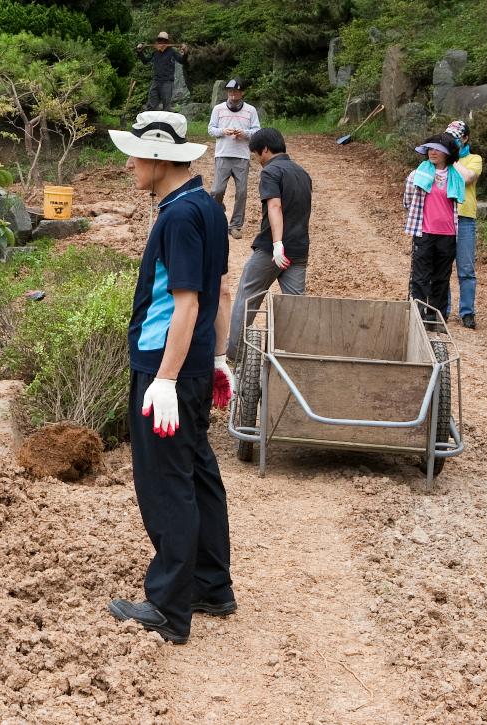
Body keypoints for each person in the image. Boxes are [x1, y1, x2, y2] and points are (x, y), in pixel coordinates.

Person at [104, 111, 235, 645]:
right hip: (195, 363)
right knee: (198, 471)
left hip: (168, 366)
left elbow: (186, 304)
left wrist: (165, 378)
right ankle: (210, 585)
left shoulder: (177, 218)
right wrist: (219, 357)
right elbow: (220, 293)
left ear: (159, 158)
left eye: (135, 154)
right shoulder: (207, 207)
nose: (129, 163)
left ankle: (167, 606)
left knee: (165, 482)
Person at [226, 128, 313, 361]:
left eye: (256, 154)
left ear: (265, 149)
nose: (257, 160)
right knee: (294, 305)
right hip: (299, 250)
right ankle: (290, 357)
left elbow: (275, 206)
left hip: (272, 249)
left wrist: (277, 245)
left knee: (247, 296)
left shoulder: (271, 172)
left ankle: (233, 355)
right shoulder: (303, 173)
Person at [404, 135, 465, 321]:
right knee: (421, 276)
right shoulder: (417, 175)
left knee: (441, 278)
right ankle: (419, 316)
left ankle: (436, 317)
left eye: (437, 149)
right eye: (430, 149)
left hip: (448, 234)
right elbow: (407, 201)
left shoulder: (456, 177)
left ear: (448, 153)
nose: (433, 152)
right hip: (424, 232)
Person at [207, 77, 261, 239]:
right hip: (222, 154)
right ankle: (216, 217)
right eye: (230, 91)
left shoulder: (251, 110)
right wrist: (223, 131)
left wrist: (244, 134)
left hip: (242, 156)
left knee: (242, 192)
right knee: (217, 190)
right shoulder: (218, 109)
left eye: (236, 91)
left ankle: (236, 225)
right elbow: (210, 129)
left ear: (242, 92)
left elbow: (257, 131)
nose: (232, 94)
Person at [444, 120, 481, 328]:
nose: (452, 141)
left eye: (455, 138)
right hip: (444, 217)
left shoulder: (474, 159)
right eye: (448, 138)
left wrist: (451, 159)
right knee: (443, 266)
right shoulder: (440, 160)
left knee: (466, 269)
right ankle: (444, 310)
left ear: (465, 138)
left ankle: (467, 312)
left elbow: (467, 178)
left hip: (465, 219)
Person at [135, 31, 189, 111]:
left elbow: (182, 61)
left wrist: (185, 53)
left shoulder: (172, 51)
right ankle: (151, 123)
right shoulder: (156, 52)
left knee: (166, 107)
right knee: (151, 106)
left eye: (163, 40)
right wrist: (140, 52)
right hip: (156, 81)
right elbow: (145, 61)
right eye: (159, 40)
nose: (161, 42)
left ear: (167, 42)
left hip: (167, 82)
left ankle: (164, 123)